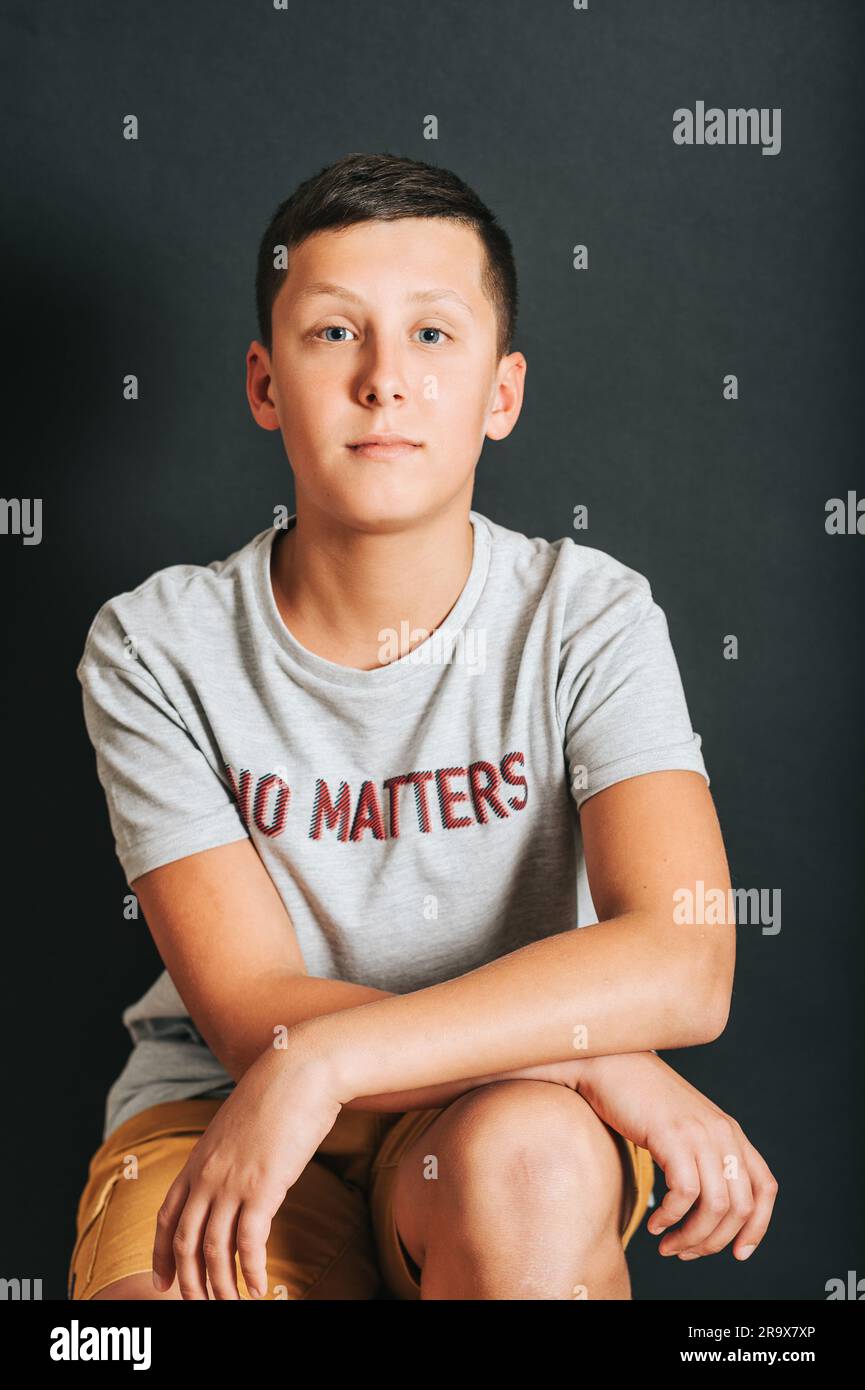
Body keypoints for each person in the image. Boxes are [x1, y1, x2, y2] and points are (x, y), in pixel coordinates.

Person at [68, 151, 776, 1302]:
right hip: (233, 1105)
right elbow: (256, 1017)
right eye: (334, 333)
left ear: (502, 393)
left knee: (533, 1166)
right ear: (262, 382)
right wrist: (604, 1061)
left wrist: (337, 1053)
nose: (383, 380)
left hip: (495, 1108)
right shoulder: (156, 644)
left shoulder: (584, 614)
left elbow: (687, 958)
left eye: (434, 336)